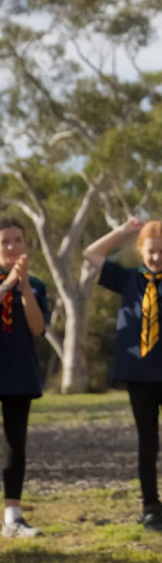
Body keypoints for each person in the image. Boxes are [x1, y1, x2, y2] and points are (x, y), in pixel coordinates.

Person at [84, 178, 162, 533]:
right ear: (142, 251)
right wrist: (124, 231)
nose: (157, 257)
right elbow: (91, 254)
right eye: (151, 251)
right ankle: (151, 509)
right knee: (147, 444)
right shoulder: (128, 281)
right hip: (139, 375)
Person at [0, 217, 49, 538]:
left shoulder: (37, 285)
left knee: (15, 444)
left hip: (18, 373)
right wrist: (6, 285)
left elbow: (37, 327)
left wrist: (25, 287)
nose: (12, 247)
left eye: (18, 240)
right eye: (5, 241)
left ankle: (13, 517)